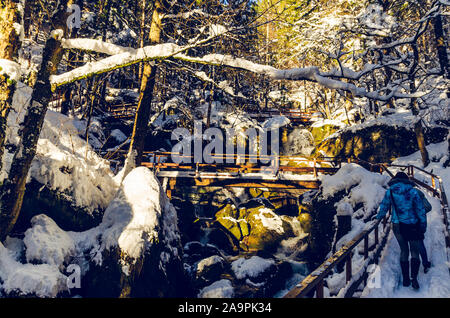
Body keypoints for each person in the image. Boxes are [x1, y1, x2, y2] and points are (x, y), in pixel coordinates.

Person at [376, 172, 427, 290]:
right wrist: (423, 225)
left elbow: (384, 206)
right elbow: (420, 210)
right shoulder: (413, 191)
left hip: (397, 225)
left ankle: (405, 279)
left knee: (404, 251)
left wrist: (378, 217)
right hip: (413, 225)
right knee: (414, 251)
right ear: (406, 180)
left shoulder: (390, 191)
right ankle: (414, 278)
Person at [416, 189, 432, 273]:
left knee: (410, 247)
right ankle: (425, 264)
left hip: (405, 223)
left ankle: (411, 275)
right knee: (419, 243)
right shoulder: (417, 192)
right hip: (418, 223)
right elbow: (428, 207)